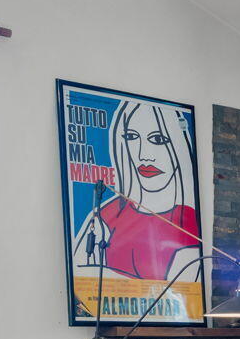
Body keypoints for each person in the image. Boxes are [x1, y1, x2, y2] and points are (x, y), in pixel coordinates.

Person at [72, 98, 202, 288]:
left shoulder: (188, 224)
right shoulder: (107, 214)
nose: (143, 155)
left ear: (178, 145)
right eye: (131, 137)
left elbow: (176, 296)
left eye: (158, 139)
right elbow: (80, 284)